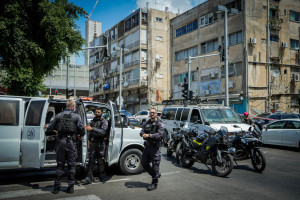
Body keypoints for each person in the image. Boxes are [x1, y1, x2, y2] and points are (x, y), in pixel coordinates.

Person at [44, 99, 85, 194]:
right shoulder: (76, 116)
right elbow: (82, 129)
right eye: (74, 106)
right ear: (72, 106)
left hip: (60, 142)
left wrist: (57, 130)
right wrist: (80, 135)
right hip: (71, 143)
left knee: (60, 166)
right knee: (71, 166)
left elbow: (50, 127)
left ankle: (56, 188)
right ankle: (71, 188)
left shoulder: (58, 115)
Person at [140, 108, 164, 191]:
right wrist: (143, 134)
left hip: (155, 147)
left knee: (155, 165)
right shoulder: (147, 122)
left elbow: (160, 134)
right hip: (147, 147)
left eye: (153, 113)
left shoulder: (159, 123)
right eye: (151, 113)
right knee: (144, 163)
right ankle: (156, 174)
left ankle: (154, 183)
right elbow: (141, 131)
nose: (152, 114)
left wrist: (150, 135)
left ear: (156, 114)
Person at [84, 108, 109, 184]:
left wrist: (92, 129)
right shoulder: (92, 121)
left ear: (101, 113)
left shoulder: (104, 121)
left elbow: (103, 132)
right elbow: (89, 132)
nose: (97, 113)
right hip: (93, 143)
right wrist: (88, 141)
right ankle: (89, 178)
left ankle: (102, 177)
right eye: (96, 112)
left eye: (98, 112)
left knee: (100, 161)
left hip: (100, 143)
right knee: (91, 160)